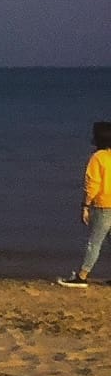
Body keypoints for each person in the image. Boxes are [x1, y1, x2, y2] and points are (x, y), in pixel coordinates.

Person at [57, 120, 111, 287]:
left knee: (94, 242)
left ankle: (82, 276)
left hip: (102, 204)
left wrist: (85, 205)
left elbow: (92, 183)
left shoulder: (98, 158)